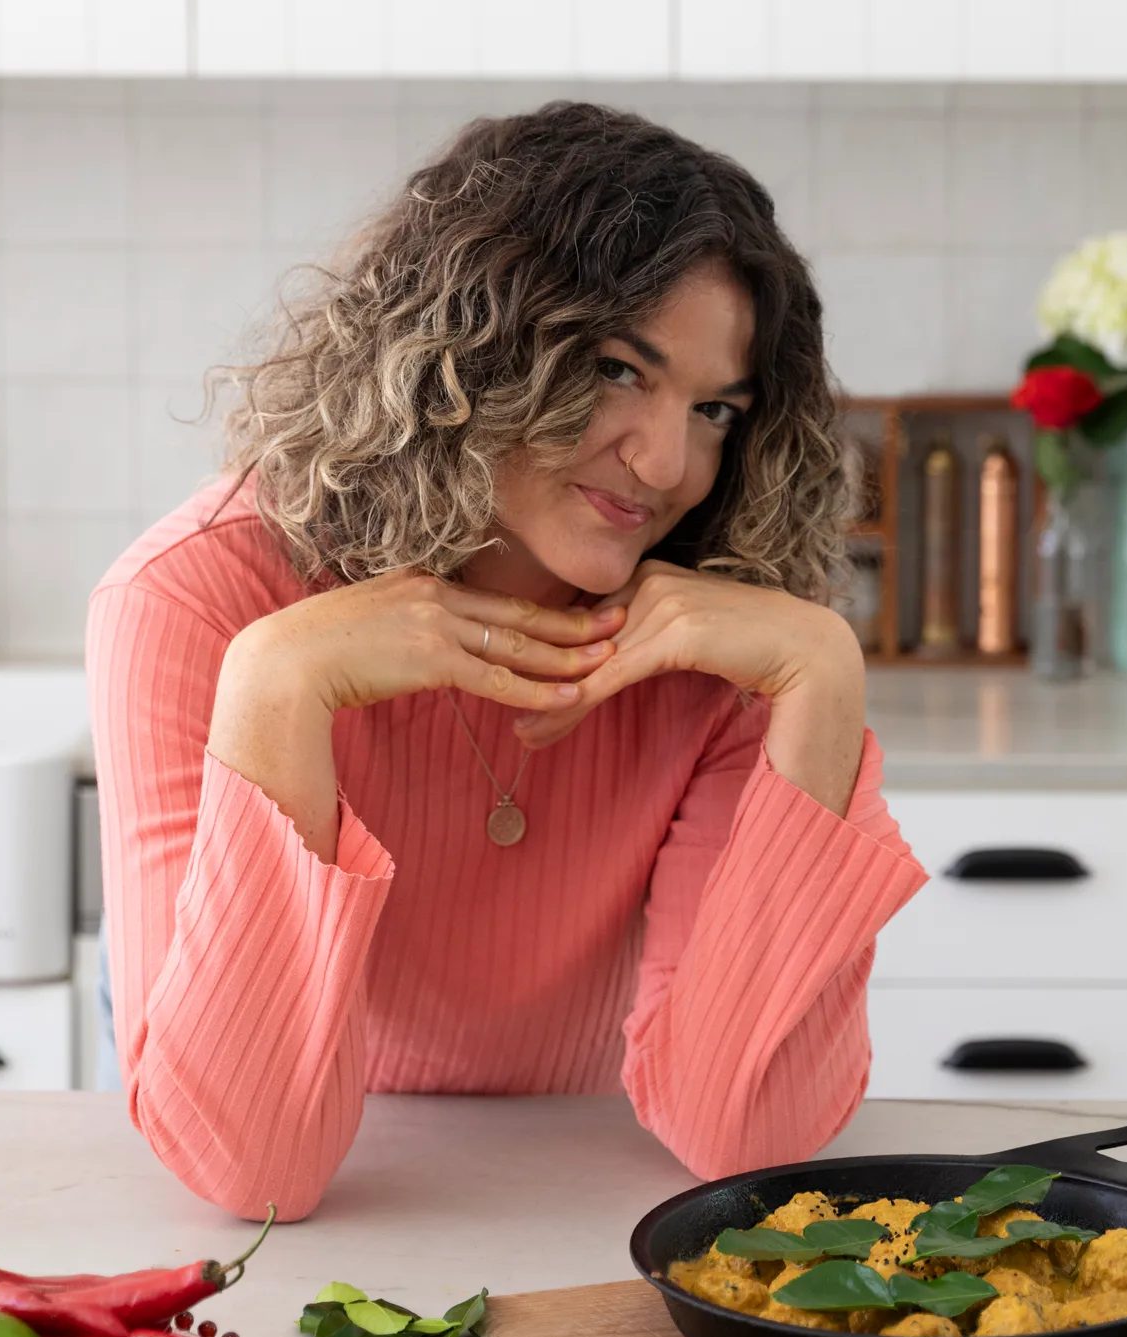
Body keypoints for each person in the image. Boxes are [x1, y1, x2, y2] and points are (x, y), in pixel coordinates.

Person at [87, 103, 924, 1220]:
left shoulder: (728, 642)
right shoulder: (192, 600)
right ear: (470, 343)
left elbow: (747, 1133)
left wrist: (822, 668)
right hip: (326, 1224)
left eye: (714, 407)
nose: (667, 461)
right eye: (620, 368)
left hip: (586, 1208)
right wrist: (279, 688)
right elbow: (253, 1169)